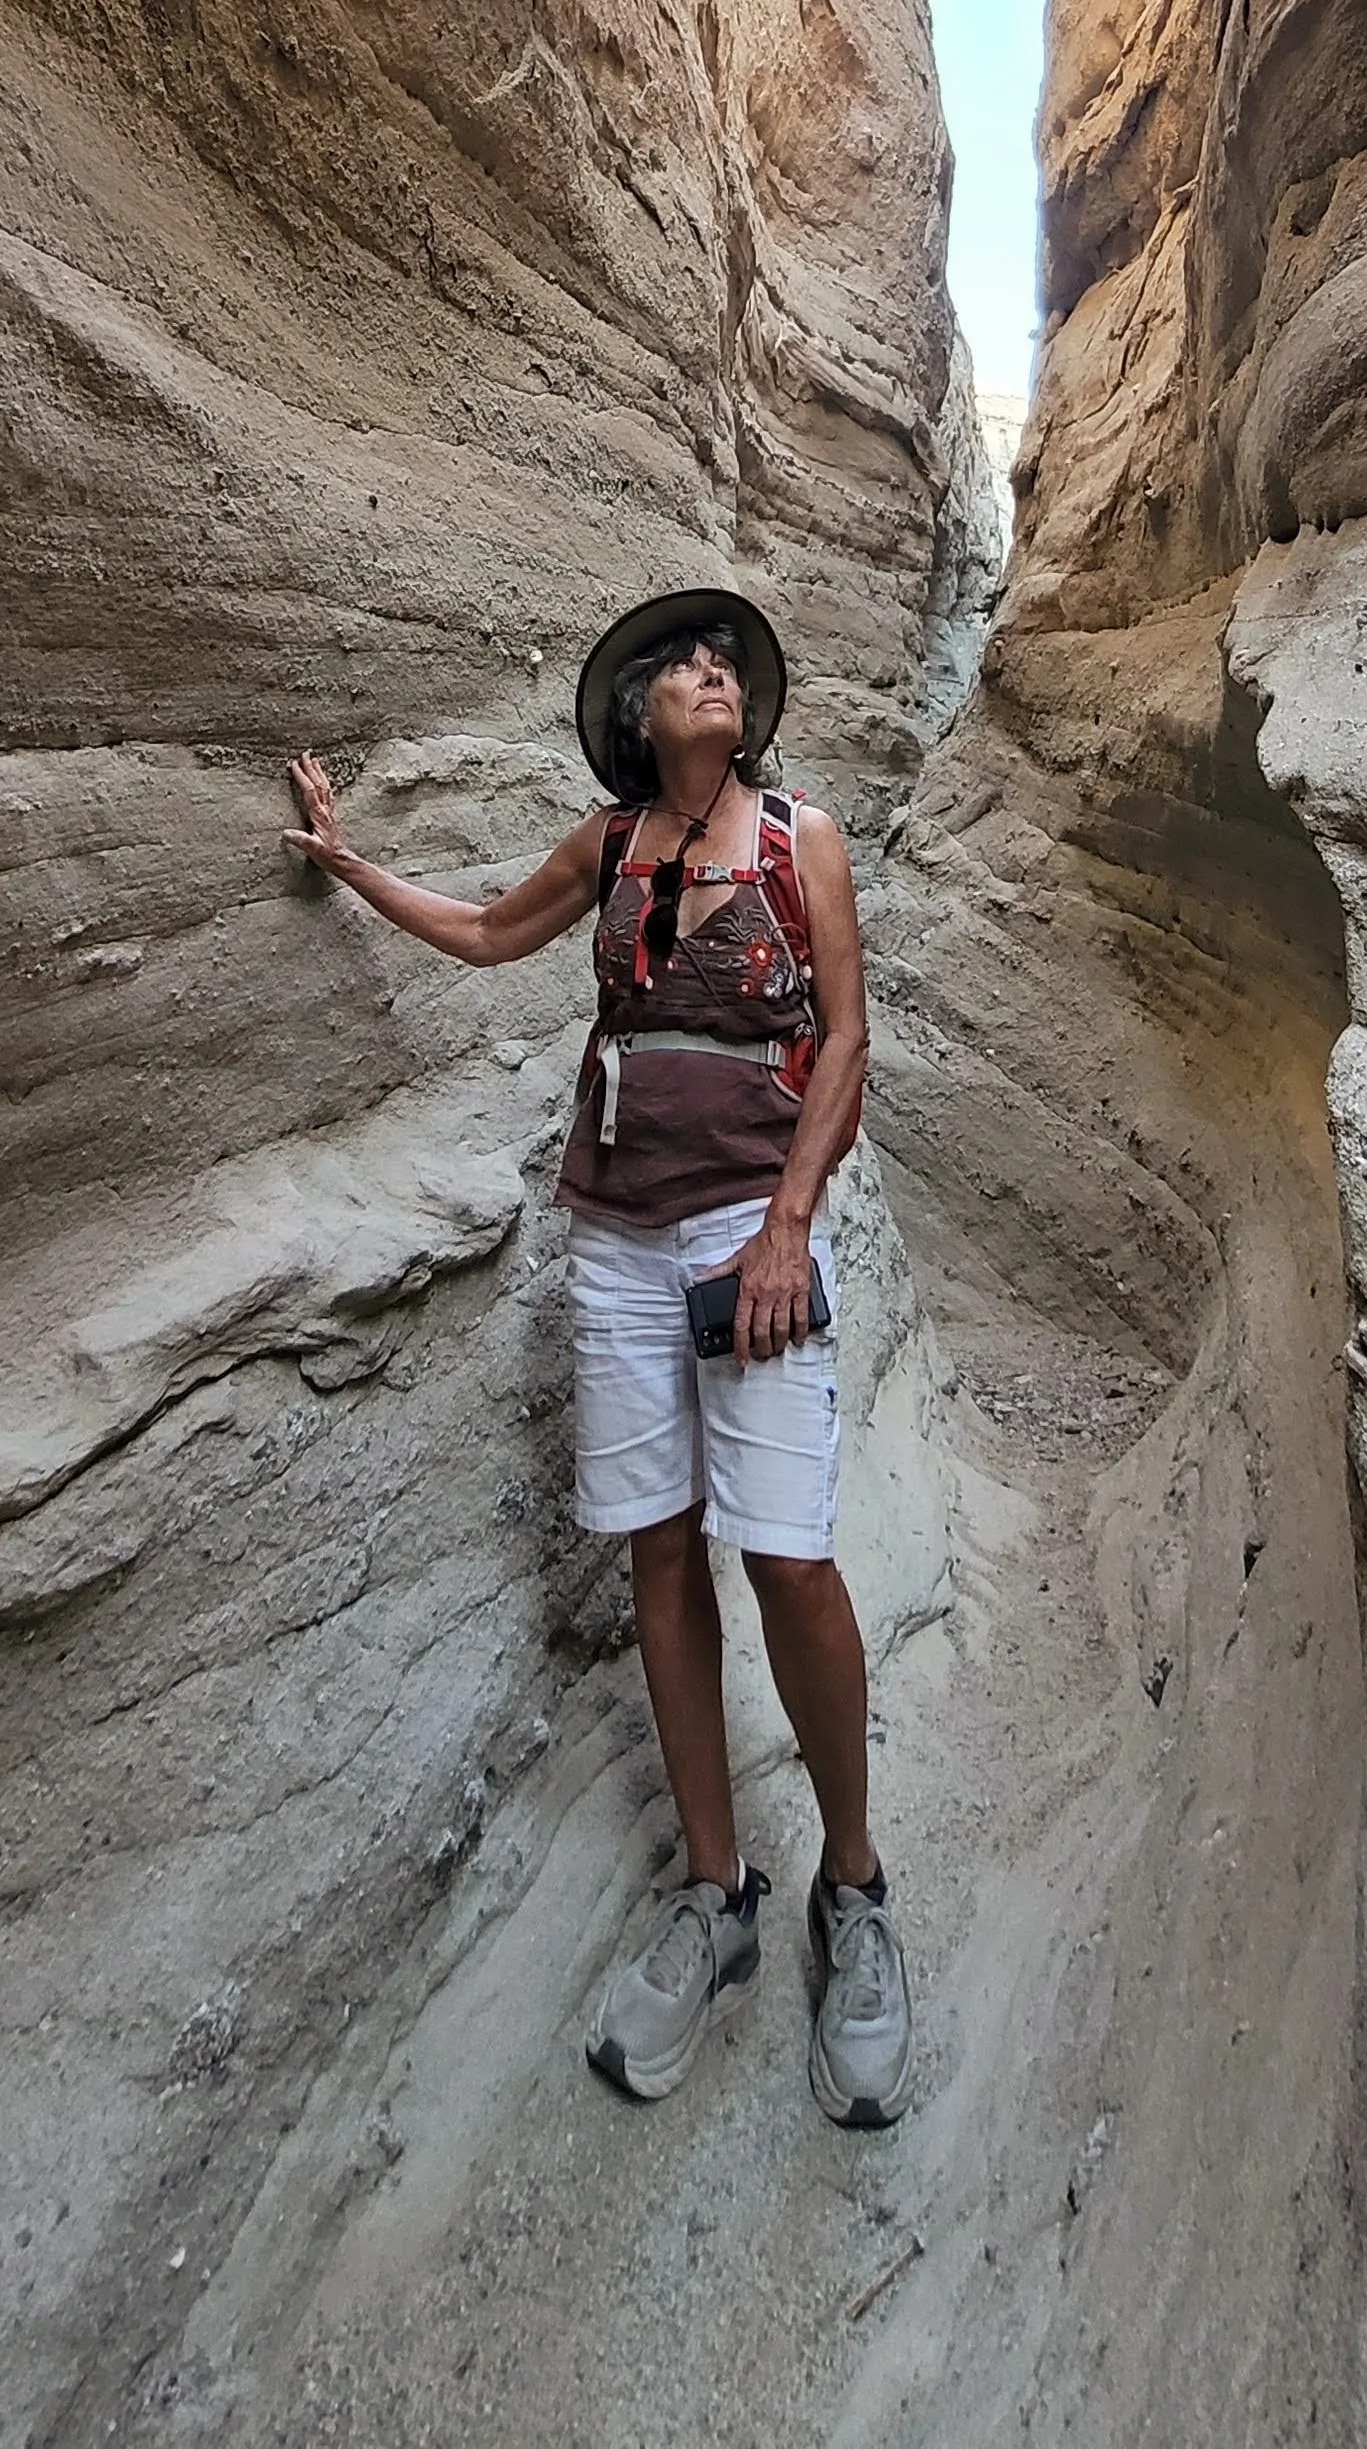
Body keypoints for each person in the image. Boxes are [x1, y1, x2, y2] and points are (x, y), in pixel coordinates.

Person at [284, 586, 912, 2127]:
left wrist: (786, 1229)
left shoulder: (799, 841)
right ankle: (719, 1888)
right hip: (622, 1237)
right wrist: (352, 861)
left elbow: (843, 1038)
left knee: (789, 1561)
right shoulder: (612, 846)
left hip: (744, 1240)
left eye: (727, 666)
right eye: (683, 668)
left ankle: (854, 1884)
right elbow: (495, 934)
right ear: (641, 719)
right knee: (656, 1549)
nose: (712, 675)